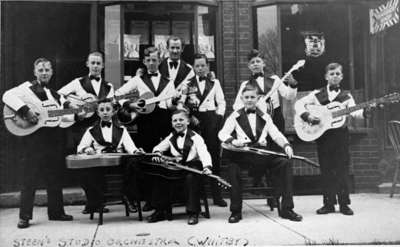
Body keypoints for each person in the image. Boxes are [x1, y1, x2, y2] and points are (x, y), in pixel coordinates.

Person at [2, 58, 74, 228]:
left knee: (55, 175)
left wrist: (77, 112)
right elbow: (7, 95)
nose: (44, 73)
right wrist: (26, 111)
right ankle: (24, 216)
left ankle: (56, 212)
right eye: (40, 70)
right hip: (35, 139)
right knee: (29, 177)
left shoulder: (55, 94)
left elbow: (64, 117)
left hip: (53, 137)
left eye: (47, 70)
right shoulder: (25, 88)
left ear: (52, 72)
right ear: (34, 72)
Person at [218, 84, 302, 223]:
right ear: (242, 99)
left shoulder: (266, 117)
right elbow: (222, 133)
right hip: (243, 156)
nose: (249, 100)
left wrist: (286, 145)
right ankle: (236, 211)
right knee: (233, 168)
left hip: (262, 157)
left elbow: (276, 134)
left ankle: (287, 209)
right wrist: (233, 140)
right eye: (247, 97)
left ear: (258, 99)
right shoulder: (235, 115)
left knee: (285, 163)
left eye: (252, 97)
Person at [295, 62, 369, 216]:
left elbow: (354, 112)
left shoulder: (346, 96)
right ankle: (328, 204)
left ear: (341, 77)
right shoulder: (317, 94)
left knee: (342, 169)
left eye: (337, 74)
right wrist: (307, 115)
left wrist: (365, 112)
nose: (334, 76)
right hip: (323, 136)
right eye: (332, 73)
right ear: (326, 76)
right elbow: (299, 104)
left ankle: (344, 204)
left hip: (341, 136)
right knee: (326, 169)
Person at [115, 46, 181, 212]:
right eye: (149, 60)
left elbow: (170, 105)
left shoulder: (168, 81)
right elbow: (118, 94)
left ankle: (164, 199)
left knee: (163, 158)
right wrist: (130, 104)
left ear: (159, 61)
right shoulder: (138, 80)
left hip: (164, 121)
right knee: (147, 159)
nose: (152, 63)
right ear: (144, 62)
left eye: (155, 60)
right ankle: (149, 199)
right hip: (145, 122)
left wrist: (174, 100)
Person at [58, 51, 115, 214]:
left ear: (103, 65)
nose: (96, 66)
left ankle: (98, 203)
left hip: (99, 130)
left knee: (98, 166)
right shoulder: (77, 83)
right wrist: (73, 106)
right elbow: (59, 95)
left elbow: (110, 107)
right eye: (93, 63)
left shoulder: (109, 87)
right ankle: (91, 201)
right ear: (87, 64)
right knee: (83, 167)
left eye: (99, 63)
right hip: (81, 129)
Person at [233, 49, 298, 187]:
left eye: (258, 61)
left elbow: (289, 95)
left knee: (277, 155)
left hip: (276, 121)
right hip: (257, 125)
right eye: (252, 62)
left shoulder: (275, 80)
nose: (255, 64)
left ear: (264, 63)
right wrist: (252, 105)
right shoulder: (245, 85)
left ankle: (276, 191)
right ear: (249, 66)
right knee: (261, 154)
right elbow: (236, 106)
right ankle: (260, 182)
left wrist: (292, 84)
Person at [76, 99, 143, 213]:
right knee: (84, 172)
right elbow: (80, 148)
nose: (105, 112)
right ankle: (94, 201)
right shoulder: (91, 130)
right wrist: (88, 149)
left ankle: (128, 197)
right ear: (98, 113)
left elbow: (131, 147)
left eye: (108, 109)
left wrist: (136, 151)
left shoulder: (122, 130)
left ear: (113, 112)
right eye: (102, 110)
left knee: (134, 164)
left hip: (119, 164)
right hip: (100, 164)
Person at [149, 109, 213, 225]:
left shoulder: (195, 137)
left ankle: (193, 212)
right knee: (160, 177)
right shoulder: (171, 136)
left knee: (191, 178)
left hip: (192, 165)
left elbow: (204, 153)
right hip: (177, 167)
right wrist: (157, 153)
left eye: (181, 120)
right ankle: (160, 210)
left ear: (188, 121)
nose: (178, 123)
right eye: (175, 120)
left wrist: (207, 167)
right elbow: (158, 147)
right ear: (172, 123)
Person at [184, 53, 227, 207]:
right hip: (195, 121)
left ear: (207, 66)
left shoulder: (214, 82)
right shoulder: (188, 83)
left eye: (203, 65)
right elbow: (182, 104)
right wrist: (189, 117)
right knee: (196, 157)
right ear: (193, 67)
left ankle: (217, 195)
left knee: (214, 157)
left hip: (211, 122)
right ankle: (198, 196)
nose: (200, 68)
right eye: (197, 66)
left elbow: (221, 102)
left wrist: (218, 118)